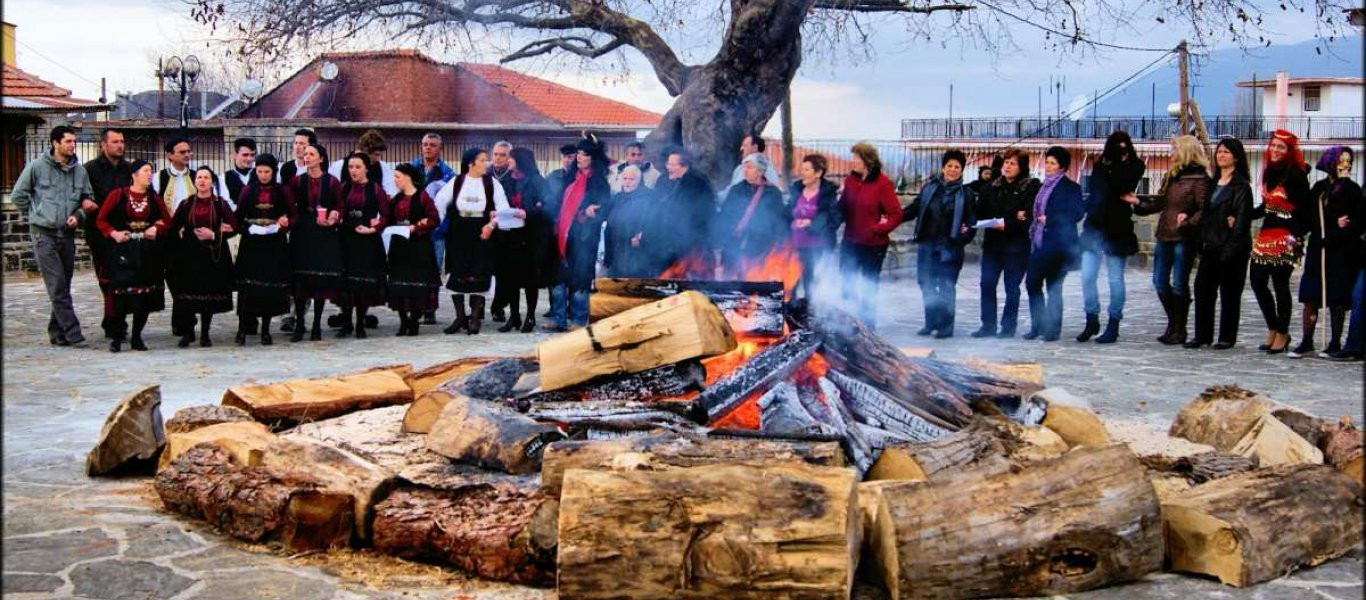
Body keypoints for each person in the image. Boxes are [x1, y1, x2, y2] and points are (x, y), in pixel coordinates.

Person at [12, 126, 95, 346]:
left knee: (63, 285)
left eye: (74, 141)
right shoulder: (37, 167)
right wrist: (36, 214)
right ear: (55, 143)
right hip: (44, 235)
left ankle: (56, 333)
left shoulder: (80, 171)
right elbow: (18, 195)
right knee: (56, 285)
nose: (72, 145)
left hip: (66, 235)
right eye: (67, 141)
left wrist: (78, 215)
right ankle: (73, 332)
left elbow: (87, 199)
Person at [1135, 135, 1209, 346]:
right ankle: (1173, 322)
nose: (1171, 153)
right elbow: (1161, 202)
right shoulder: (1172, 175)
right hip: (1164, 234)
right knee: (1159, 282)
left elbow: (1204, 210)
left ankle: (1179, 328)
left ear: (1185, 151)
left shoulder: (1200, 179)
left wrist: (1187, 221)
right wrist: (1138, 202)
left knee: (1179, 284)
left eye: (1174, 149)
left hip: (1183, 237)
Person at [1291, 146, 1362, 358]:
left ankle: (1335, 342)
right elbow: (1310, 217)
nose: (1346, 164)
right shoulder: (1319, 189)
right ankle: (1306, 341)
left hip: (1340, 251)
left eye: (1349, 161)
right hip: (1317, 248)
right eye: (1342, 160)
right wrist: (1297, 234)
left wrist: (1338, 230)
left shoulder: (1353, 190)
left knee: (1337, 296)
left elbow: (1356, 222)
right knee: (1311, 294)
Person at [1186, 138, 1255, 350]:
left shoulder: (1241, 186)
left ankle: (1227, 336)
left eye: (1226, 152)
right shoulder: (1213, 183)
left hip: (1232, 249)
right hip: (1211, 246)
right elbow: (1205, 214)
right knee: (1202, 290)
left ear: (1235, 156)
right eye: (1219, 152)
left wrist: (1229, 250)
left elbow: (1242, 222)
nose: (1221, 155)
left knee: (1230, 293)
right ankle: (1202, 335)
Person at [1077, 131, 1145, 344]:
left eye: (1124, 147)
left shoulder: (1135, 165)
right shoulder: (1101, 164)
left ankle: (1113, 323)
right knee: (1087, 276)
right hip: (1095, 227)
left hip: (1118, 228)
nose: (1120, 150)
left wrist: (1118, 164)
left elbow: (1122, 186)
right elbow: (1097, 192)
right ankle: (1091, 318)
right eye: (1117, 146)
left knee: (1115, 279)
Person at [95, 160, 170, 353]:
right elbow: (101, 220)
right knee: (121, 294)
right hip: (123, 252)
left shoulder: (153, 198)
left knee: (143, 295)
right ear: (134, 175)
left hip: (146, 252)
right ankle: (117, 338)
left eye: (151, 171)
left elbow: (167, 220)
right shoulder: (118, 195)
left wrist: (156, 227)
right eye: (145, 171)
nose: (149, 175)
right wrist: (114, 234)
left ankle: (137, 337)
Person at [902, 149, 977, 338]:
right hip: (927, 244)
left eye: (957, 167)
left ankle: (946, 326)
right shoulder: (930, 188)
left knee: (946, 286)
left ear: (962, 170)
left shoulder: (966, 194)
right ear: (943, 167)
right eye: (949, 166)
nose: (952, 170)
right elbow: (913, 209)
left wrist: (962, 237)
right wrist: (892, 218)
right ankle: (931, 322)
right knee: (925, 283)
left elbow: (971, 223)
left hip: (950, 247)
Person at [1250, 129, 1311, 355]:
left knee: (1280, 284)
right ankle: (1273, 327)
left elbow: (1306, 211)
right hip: (1267, 235)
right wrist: (1243, 213)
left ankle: (1283, 332)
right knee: (1256, 280)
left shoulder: (1296, 175)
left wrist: (1295, 237)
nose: (1275, 150)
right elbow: (1266, 207)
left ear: (1289, 151)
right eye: (1273, 145)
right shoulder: (1269, 173)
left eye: (1281, 147)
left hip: (1287, 237)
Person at [435, 147, 509, 335]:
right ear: (471, 163)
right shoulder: (457, 181)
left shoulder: (492, 184)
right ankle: (460, 317)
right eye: (483, 160)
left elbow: (503, 209)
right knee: (456, 272)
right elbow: (440, 203)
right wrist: (434, 224)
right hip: (459, 232)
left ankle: (475, 317)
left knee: (480, 273)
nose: (487, 163)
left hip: (482, 232)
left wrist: (491, 226)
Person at [545, 135, 610, 331]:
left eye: (584, 154)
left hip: (584, 237)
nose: (579, 157)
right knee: (558, 277)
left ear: (593, 159)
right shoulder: (570, 178)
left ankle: (579, 320)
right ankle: (558, 318)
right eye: (579, 154)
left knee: (580, 278)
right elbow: (560, 204)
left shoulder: (600, 184)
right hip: (563, 234)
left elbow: (605, 208)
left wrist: (590, 212)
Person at [972, 149, 1038, 338]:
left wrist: (1007, 222)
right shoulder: (992, 187)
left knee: (1011, 288)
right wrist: (1011, 216)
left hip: (1016, 247)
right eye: (1006, 162)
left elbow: (1027, 218)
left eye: (1013, 163)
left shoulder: (1030, 186)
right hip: (993, 245)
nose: (1007, 166)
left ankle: (1008, 327)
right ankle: (988, 325)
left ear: (1021, 167)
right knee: (987, 283)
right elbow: (981, 213)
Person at [168, 166, 236, 348]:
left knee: (208, 293)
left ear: (212, 182)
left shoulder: (220, 204)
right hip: (190, 254)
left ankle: (205, 333)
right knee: (188, 294)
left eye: (206, 177)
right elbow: (173, 226)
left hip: (213, 253)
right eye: (199, 177)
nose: (202, 181)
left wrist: (214, 234)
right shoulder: (187, 203)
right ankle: (188, 332)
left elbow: (234, 225)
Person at [838, 142, 904, 324]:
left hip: (873, 245)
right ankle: (847, 322)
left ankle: (867, 325)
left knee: (868, 286)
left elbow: (896, 214)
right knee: (846, 282)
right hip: (850, 241)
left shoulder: (883, 183)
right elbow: (842, 208)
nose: (852, 162)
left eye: (855, 158)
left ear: (866, 160)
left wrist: (879, 229)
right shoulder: (850, 181)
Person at [287, 143, 346, 342]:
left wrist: (334, 216)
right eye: (306, 154)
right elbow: (290, 206)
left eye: (312, 154)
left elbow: (339, 205)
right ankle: (300, 323)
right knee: (301, 279)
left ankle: (316, 324)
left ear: (321, 158)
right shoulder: (297, 181)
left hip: (324, 233)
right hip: (303, 231)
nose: (308, 157)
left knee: (320, 279)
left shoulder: (332, 182)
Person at [1024, 146, 1084, 342]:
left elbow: (1076, 213)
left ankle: (1052, 329)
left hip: (1059, 246)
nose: (1048, 166)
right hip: (1039, 243)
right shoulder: (1043, 187)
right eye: (1047, 162)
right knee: (1032, 284)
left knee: (1054, 288)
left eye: (1053, 163)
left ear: (1062, 167)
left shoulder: (1071, 188)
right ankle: (1038, 325)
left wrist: (1051, 219)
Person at [232, 154, 294, 346]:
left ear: (273, 172)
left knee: (268, 288)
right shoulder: (248, 191)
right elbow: (237, 218)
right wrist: (249, 228)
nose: (263, 175)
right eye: (259, 171)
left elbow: (293, 215)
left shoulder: (283, 191)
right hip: (252, 244)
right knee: (248, 288)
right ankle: (242, 329)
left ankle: (266, 330)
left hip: (274, 244)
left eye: (267, 171)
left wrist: (283, 224)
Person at [83, 127, 133, 341]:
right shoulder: (89, 170)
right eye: (115, 141)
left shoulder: (129, 169)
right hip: (100, 233)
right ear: (103, 144)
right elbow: (82, 197)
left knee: (124, 279)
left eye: (122, 141)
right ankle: (114, 322)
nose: (120, 145)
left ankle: (116, 319)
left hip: (125, 232)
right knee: (107, 280)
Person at [336, 152, 390, 339]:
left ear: (366, 168)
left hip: (367, 240)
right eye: (350, 167)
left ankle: (360, 323)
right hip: (347, 238)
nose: (354, 171)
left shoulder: (376, 189)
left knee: (363, 283)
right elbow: (339, 209)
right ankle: (346, 322)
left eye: (357, 167)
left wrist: (375, 228)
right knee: (346, 283)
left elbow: (385, 215)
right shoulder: (343, 188)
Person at [387, 163, 442, 336]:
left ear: (408, 177)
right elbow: (388, 218)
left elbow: (434, 218)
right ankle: (403, 321)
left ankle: (414, 320)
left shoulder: (423, 197)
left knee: (418, 284)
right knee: (400, 284)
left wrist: (418, 226)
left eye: (398, 177)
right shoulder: (396, 199)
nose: (395, 180)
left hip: (419, 246)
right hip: (400, 246)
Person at [713, 153, 788, 277]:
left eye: (750, 167)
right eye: (744, 167)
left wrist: (778, 241)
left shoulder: (773, 193)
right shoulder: (736, 189)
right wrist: (720, 237)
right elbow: (725, 215)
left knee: (752, 277)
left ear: (760, 171)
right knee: (729, 278)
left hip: (759, 243)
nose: (745, 171)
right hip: (733, 241)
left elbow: (778, 219)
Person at [411, 133, 456, 325]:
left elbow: (452, 204)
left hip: (436, 231)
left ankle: (430, 308)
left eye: (432, 145)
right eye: (425, 144)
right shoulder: (411, 168)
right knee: (414, 269)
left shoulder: (448, 173)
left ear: (440, 148)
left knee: (434, 270)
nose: (428, 148)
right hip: (415, 227)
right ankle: (415, 307)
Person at [277, 128, 317, 335]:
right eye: (296, 143)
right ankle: (288, 314)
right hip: (292, 223)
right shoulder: (287, 169)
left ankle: (301, 312)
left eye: (302, 143)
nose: (298, 147)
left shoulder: (320, 169)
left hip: (311, 225)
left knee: (307, 269)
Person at [511, 147, 554, 332]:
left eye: (511, 158)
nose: (508, 161)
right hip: (511, 233)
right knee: (511, 278)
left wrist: (528, 212)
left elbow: (548, 208)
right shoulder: (508, 180)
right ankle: (513, 317)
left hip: (532, 236)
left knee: (530, 279)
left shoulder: (538, 181)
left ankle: (530, 316)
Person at [788, 154, 841, 301]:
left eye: (806, 169)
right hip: (794, 245)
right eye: (802, 169)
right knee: (790, 283)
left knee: (811, 285)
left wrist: (811, 224)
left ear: (818, 173)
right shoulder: (796, 189)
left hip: (817, 247)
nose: (802, 173)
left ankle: (810, 315)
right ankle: (790, 316)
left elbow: (835, 219)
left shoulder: (827, 194)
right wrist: (791, 222)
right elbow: (787, 213)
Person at [654, 147, 717, 270]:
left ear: (684, 165)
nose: (668, 167)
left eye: (672, 164)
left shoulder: (699, 183)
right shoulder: (663, 180)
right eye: (668, 163)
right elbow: (656, 206)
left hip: (691, 243)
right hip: (666, 242)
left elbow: (706, 214)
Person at [604, 165, 658, 278]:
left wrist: (643, 235)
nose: (627, 182)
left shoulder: (649, 198)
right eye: (625, 179)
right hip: (616, 249)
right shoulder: (618, 197)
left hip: (637, 251)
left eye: (631, 179)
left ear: (639, 181)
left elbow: (655, 222)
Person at [488, 141, 517, 323]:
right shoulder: (485, 173)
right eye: (496, 154)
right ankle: (479, 305)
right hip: (486, 227)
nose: (497, 158)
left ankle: (498, 306)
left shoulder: (514, 177)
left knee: (504, 271)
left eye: (502, 155)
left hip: (507, 230)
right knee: (483, 268)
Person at [329, 129, 398, 196]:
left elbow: (389, 193)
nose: (378, 159)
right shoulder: (339, 166)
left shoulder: (383, 167)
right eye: (376, 155)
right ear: (365, 151)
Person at [224, 138, 257, 206]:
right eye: (245, 155)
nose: (249, 159)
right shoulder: (223, 178)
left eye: (252, 155)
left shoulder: (261, 174)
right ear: (235, 154)